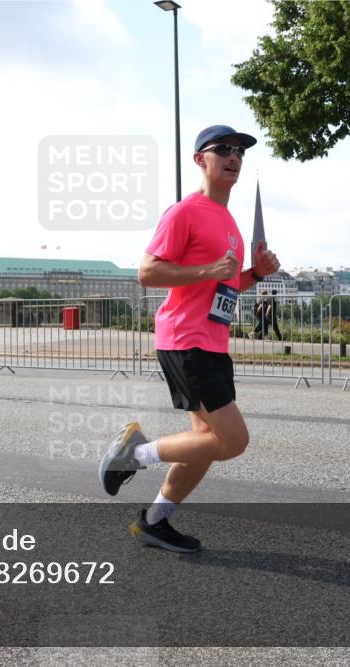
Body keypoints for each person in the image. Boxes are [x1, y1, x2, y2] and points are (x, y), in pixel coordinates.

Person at [98, 125, 280, 552]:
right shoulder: (184, 212)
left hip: (212, 342)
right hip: (186, 340)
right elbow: (147, 272)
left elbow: (226, 285)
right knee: (232, 441)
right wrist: (207, 271)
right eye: (223, 150)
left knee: (204, 444)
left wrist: (256, 275)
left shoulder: (229, 222)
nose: (233, 157)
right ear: (200, 159)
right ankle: (134, 455)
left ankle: (154, 521)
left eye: (239, 151)